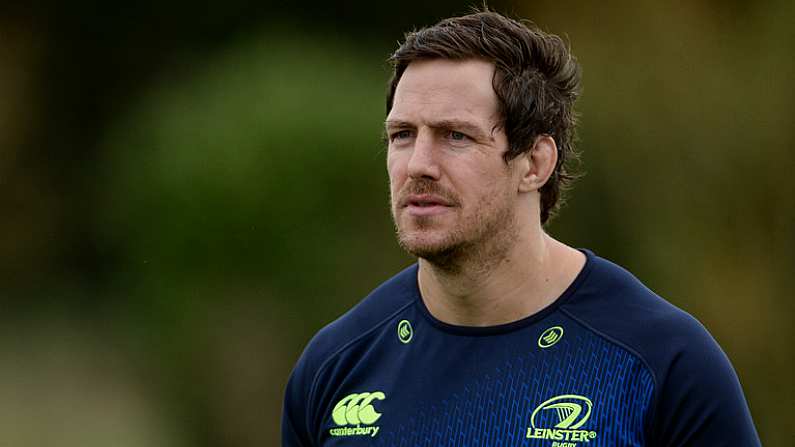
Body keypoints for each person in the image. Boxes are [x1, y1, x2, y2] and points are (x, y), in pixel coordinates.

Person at [282, 10, 760, 446]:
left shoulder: (663, 363)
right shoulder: (334, 366)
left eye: (456, 136)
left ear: (535, 162)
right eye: (402, 135)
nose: (418, 165)